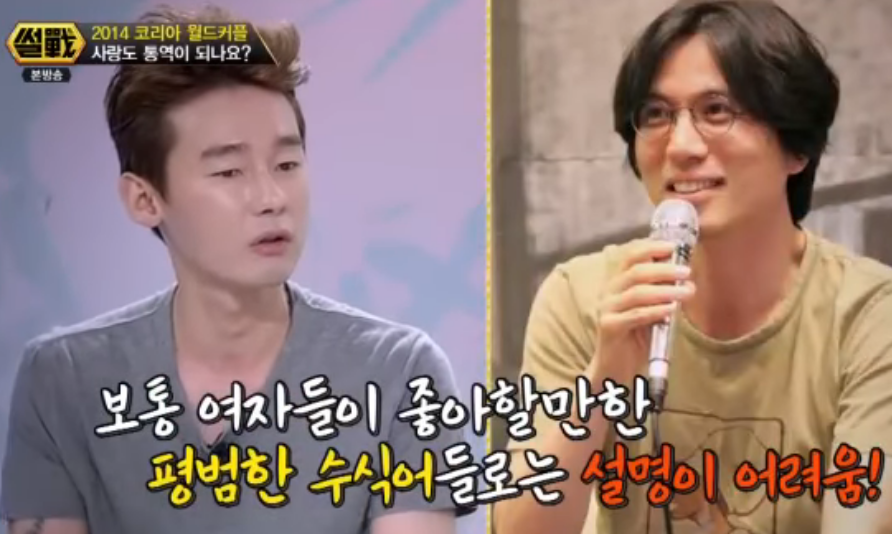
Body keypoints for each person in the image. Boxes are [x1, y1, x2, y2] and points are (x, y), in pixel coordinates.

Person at [1, 5, 470, 534]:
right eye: (228, 171)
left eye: (287, 165)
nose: (271, 198)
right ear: (145, 199)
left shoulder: (398, 373)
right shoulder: (64, 380)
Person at [494, 1, 892, 533]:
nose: (680, 146)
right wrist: (602, 384)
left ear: (797, 146)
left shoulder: (869, 315)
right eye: (656, 115)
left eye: (717, 110)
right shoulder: (583, 297)